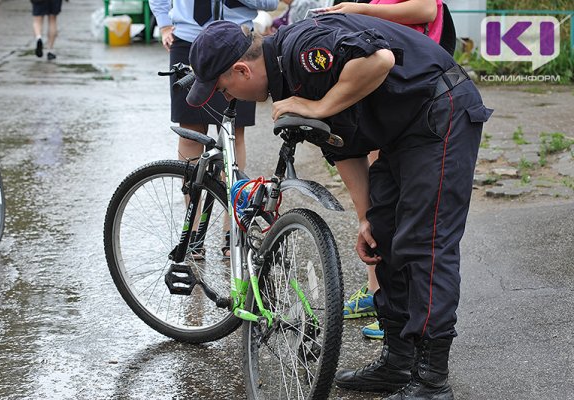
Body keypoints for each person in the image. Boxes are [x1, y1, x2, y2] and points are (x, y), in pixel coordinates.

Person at [185, 16, 492, 399]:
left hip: (440, 111)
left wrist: (319, 106)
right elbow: (343, 145)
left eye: (223, 88)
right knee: (385, 239)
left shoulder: (302, 49)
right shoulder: (286, 82)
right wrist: (366, 218)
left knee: (424, 244)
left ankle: (431, 379)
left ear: (242, 69)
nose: (226, 97)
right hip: (403, 129)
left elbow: (378, 60)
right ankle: (398, 361)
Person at [324, 0, 448, 342]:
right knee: (373, 200)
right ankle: (377, 291)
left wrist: (359, 11)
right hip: (381, 91)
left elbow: (425, 11)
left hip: (410, 90)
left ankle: (398, 308)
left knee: (401, 207)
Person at [148, 0, 278, 258]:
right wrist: (164, 24)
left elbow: (270, 3)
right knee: (190, 131)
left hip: (236, 44)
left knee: (233, 131)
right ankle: (193, 232)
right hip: (187, 41)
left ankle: (233, 230)